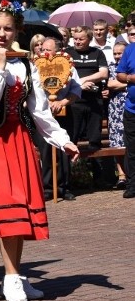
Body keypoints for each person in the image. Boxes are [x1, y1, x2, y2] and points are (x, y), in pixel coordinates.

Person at [0, 0, 79, 301]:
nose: (1, 34)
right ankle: (12, 277)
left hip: (16, 138)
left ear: (17, 30)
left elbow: (39, 111)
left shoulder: (26, 64)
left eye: (7, 28)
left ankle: (14, 276)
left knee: (19, 210)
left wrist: (62, 139)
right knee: (9, 210)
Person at [66, 26, 114, 189]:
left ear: (89, 39)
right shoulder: (67, 54)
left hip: (94, 103)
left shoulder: (97, 53)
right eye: (76, 39)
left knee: (95, 140)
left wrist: (82, 80)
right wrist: (79, 85)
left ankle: (100, 179)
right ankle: (69, 181)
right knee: (72, 140)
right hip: (74, 103)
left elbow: (103, 73)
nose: (77, 41)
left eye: (81, 39)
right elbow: (63, 75)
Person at [35, 38, 81, 201]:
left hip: (65, 111)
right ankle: (48, 187)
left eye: (49, 49)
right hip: (43, 114)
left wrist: (62, 102)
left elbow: (76, 90)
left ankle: (64, 187)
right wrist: (45, 101)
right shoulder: (36, 66)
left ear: (58, 51)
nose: (45, 52)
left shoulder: (68, 65)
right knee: (46, 150)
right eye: (42, 49)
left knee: (64, 150)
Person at [104, 41, 127, 188]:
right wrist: (130, 83)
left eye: (120, 53)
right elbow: (111, 84)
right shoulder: (111, 68)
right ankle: (122, 175)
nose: (117, 56)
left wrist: (122, 84)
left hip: (130, 107)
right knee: (117, 141)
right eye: (115, 53)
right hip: (115, 109)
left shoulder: (131, 67)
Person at [114, 39, 135, 198]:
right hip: (132, 109)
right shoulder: (130, 50)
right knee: (132, 150)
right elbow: (120, 74)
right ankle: (133, 185)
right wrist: (130, 78)